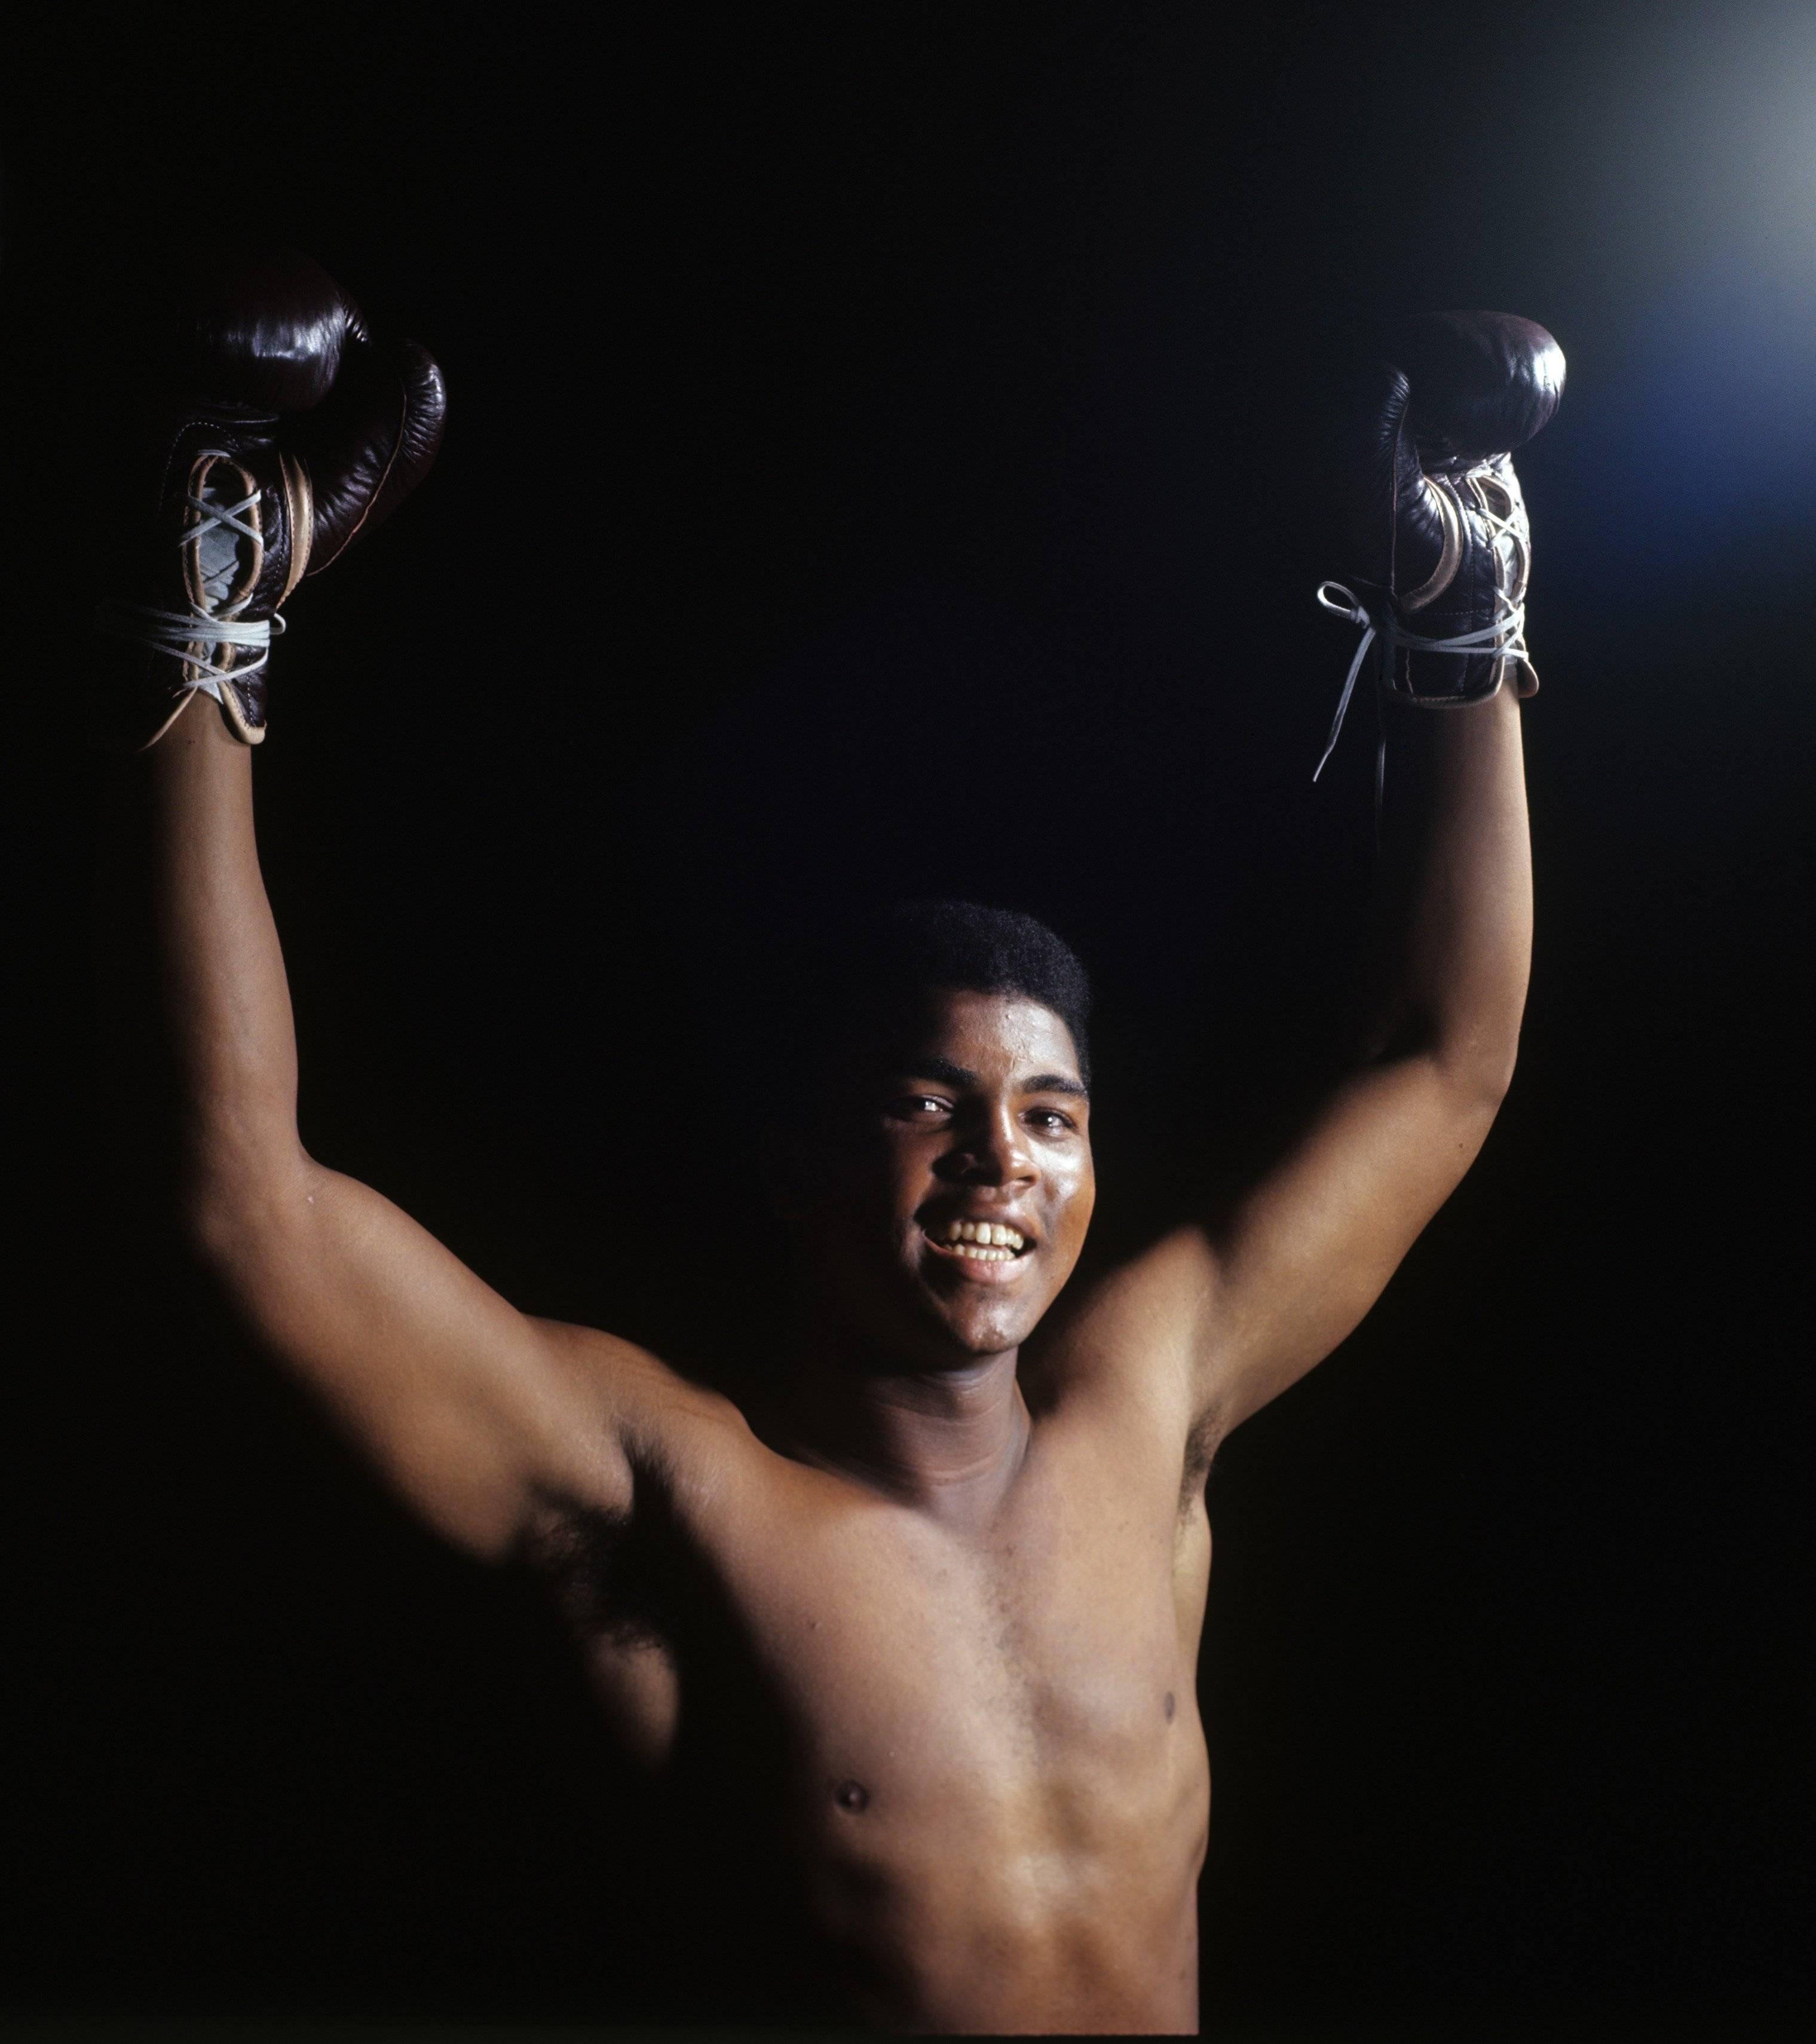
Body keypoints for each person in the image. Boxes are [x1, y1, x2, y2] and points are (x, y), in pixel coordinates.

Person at [94, 251, 1561, 2034]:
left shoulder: (1150, 1405)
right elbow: (249, 1204)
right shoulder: (672, 1498)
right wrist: (211, 625)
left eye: (1048, 1115)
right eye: (929, 1102)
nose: (997, 1158)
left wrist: (1460, 627)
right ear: (805, 1156)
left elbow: (1444, 1064)